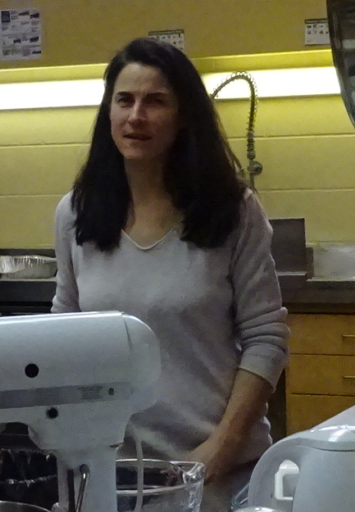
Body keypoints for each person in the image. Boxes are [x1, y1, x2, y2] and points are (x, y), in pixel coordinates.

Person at [52, 38, 288, 486]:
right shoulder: (76, 213)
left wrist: (221, 447)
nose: (135, 116)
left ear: (183, 118)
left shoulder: (232, 210)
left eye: (155, 101)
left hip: (218, 467)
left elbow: (267, 338)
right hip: (112, 470)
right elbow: (63, 328)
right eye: (124, 100)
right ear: (108, 112)